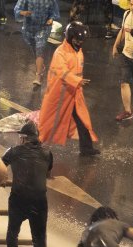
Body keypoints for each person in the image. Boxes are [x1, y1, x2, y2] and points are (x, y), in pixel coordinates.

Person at [38, 21, 100, 156]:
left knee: (83, 120)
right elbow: (61, 71)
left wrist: (78, 83)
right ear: (70, 37)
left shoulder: (78, 50)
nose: (80, 43)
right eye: (78, 40)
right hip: (59, 94)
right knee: (50, 121)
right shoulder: (60, 52)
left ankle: (86, 149)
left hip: (75, 92)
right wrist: (77, 81)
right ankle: (36, 144)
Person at [2, 122, 53, 247]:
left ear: (23, 138)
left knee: (12, 233)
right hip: (39, 201)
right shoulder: (47, 153)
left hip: (18, 199)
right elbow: (48, 172)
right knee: (39, 239)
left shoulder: (13, 151)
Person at [14, 0, 60, 85]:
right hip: (29, 27)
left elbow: (54, 11)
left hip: (44, 27)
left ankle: (38, 75)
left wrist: (51, 19)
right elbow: (17, 9)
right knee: (34, 47)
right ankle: (40, 65)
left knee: (40, 47)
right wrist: (23, 12)